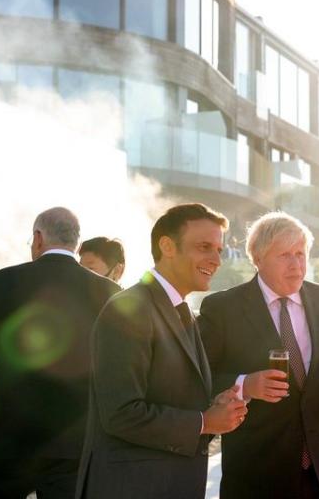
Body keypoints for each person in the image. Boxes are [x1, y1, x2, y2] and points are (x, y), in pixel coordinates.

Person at [77, 203, 248, 498]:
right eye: (205, 247)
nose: (216, 259)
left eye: (219, 249)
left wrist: (213, 404)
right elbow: (121, 413)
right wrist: (204, 421)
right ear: (167, 246)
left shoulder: (181, 311)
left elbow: (169, 394)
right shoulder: (128, 309)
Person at [0, 207, 121, 499]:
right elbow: (114, 368)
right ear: (76, 243)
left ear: (37, 238)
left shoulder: (1, 282)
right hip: (75, 440)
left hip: (5, 437)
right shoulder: (108, 291)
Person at [198, 212, 319, 499]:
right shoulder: (222, 309)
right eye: (285, 255)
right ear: (257, 258)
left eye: (301, 253)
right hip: (258, 476)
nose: (296, 264)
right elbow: (198, 378)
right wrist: (246, 385)